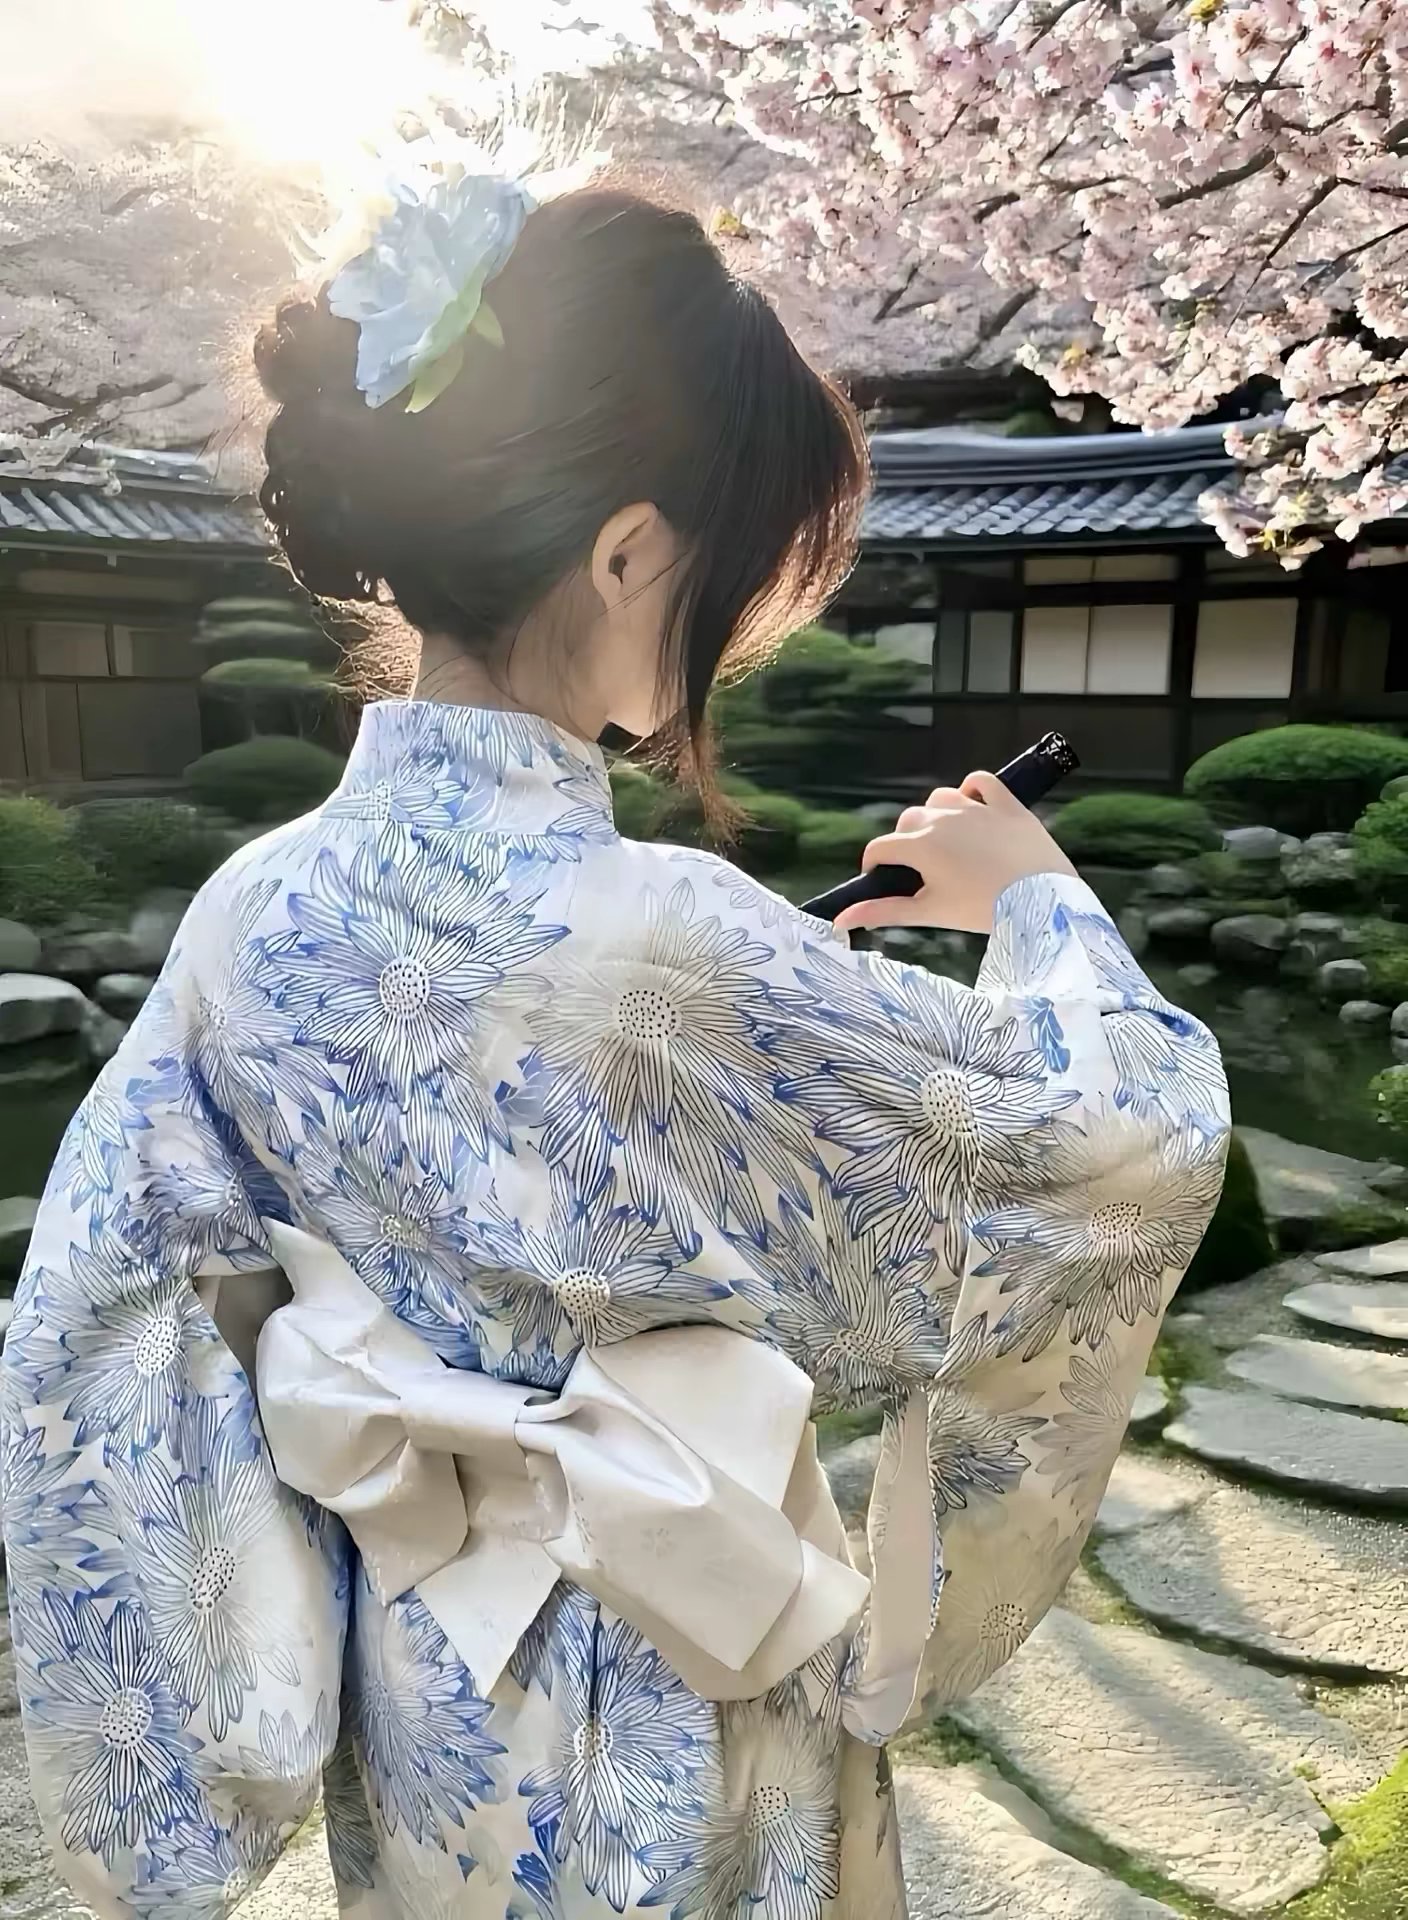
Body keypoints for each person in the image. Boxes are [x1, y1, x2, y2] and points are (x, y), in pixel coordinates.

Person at [1, 158, 1229, 1920]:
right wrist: (1035, 900)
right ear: (632, 549)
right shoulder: (672, 939)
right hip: (686, 1654)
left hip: (425, 1675)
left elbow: (105, 1314)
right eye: (729, 570)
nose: (732, 625)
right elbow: (1107, 1151)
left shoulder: (247, 910)